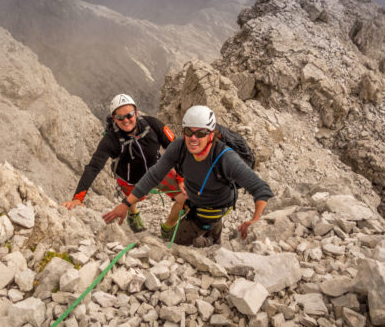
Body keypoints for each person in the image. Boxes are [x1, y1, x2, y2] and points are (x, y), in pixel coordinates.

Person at [103, 105, 273, 247]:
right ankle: (213, 232)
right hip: (194, 199)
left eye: (200, 133)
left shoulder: (225, 158)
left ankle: (209, 241)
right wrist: (126, 204)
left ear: (211, 134)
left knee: (174, 243)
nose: (193, 138)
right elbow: (154, 175)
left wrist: (255, 221)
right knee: (185, 207)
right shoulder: (179, 146)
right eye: (188, 132)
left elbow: (261, 189)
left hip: (213, 206)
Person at [62, 94, 187, 233]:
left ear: (136, 112)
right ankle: (133, 213)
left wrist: (181, 177)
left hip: (158, 172)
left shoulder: (152, 124)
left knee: (186, 195)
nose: (126, 120)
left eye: (129, 115)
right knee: (131, 199)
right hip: (130, 180)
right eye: (120, 118)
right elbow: (93, 167)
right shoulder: (110, 139)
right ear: (114, 119)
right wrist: (78, 198)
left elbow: (176, 149)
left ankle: (168, 228)